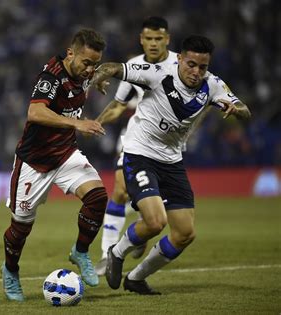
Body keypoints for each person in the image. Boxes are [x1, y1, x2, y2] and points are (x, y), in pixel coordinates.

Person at [91, 35, 251, 294]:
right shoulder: (157, 73)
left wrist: (236, 110)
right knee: (155, 222)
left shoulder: (213, 85)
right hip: (140, 154)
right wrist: (98, 76)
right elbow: (113, 68)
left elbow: (243, 108)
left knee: (185, 233)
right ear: (179, 58)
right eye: (191, 64)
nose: (196, 72)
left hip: (172, 161)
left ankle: (136, 277)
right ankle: (116, 252)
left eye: (203, 67)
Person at [1, 28, 108, 302]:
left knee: (97, 198)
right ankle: (10, 270)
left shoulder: (85, 70)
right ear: (70, 53)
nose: (90, 69)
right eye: (86, 63)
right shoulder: (52, 76)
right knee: (20, 228)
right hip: (33, 161)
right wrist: (77, 123)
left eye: (94, 64)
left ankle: (80, 251)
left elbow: (100, 68)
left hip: (65, 154)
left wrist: (100, 77)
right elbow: (34, 112)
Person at [94, 16, 178, 276]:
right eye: (148, 39)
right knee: (119, 190)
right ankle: (106, 255)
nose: (153, 44)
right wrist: (95, 122)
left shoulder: (181, 65)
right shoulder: (134, 66)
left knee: (154, 213)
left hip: (167, 147)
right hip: (136, 140)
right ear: (142, 40)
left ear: (167, 39)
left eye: (158, 38)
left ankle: (140, 231)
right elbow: (120, 104)